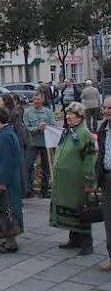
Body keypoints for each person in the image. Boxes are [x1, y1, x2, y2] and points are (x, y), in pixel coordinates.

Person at [50, 102, 97, 256]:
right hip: (66, 182)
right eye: (68, 113)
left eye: (73, 114)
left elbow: (89, 160)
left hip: (78, 181)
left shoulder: (84, 134)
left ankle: (86, 243)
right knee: (70, 209)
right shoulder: (69, 132)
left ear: (81, 117)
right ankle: (74, 239)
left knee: (81, 211)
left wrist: (89, 181)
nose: (68, 116)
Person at [0, 107, 24, 253]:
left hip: (2, 182)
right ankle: (7, 239)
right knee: (5, 209)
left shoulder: (4, 137)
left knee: (6, 210)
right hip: (2, 180)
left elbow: (5, 161)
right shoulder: (4, 134)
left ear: (1, 122)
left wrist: (2, 182)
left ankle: (10, 240)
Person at [23, 92, 55, 198]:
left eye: (38, 99)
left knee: (46, 167)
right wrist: (37, 128)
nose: (35, 101)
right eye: (34, 99)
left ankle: (45, 190)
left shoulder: (48, 112)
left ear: (42, 100)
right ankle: (28, 190)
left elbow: (53, 125)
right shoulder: (28, 112)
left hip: (45, 142)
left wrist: (46, 126)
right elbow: (26, 127)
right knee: (28, 166)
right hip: (32, 142)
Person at [0, 93, 29, 196]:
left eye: (0, 101)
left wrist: (17, 144)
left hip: (15, 144)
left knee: (18, 168)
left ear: (5, 102)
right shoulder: (4, 113)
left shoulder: (15, 113)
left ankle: (21, 191)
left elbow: (19, 130)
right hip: (7, 144)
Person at [97, 97, 111, 270]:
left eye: (110, 108)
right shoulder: (103, 129)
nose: (107, 110)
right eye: (105, 107)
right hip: (107, 178)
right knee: (108, 219)